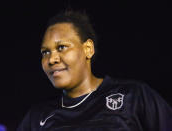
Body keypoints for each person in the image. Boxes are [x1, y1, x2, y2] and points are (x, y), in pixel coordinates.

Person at [17, 10, 172, 131]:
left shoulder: (133, 96)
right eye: (45, 52)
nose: (52, 59)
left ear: (88, 49)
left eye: (61, 47)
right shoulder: (37, 118)